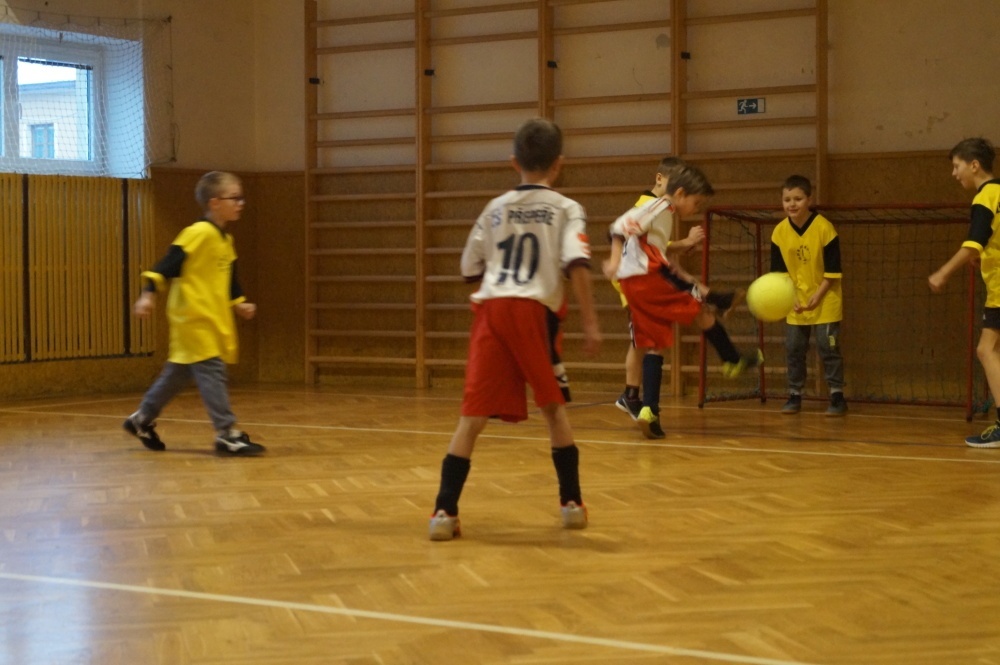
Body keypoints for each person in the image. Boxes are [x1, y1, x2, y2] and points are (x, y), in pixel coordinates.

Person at [428, 118, 601, 541]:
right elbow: (578, 265)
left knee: (472, 417)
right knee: (553, 408)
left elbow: (469, 267)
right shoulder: (566, 208)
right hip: (532, 313)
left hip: (491, 310)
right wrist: (591, 321)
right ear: (558, 164)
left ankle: (443, 512)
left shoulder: (494, 208)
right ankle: (571, 504)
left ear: (513, 162)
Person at [606, 165, 761, 440]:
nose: (697, 208)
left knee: (656, 344)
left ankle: (649, 411)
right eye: (696, 202)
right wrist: (614, 260)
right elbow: (618, 229)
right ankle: (731, 357)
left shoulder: (664, 213)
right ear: (679, 193)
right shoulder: (659, 206)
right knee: (700, 309)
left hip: (635, 284)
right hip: (647, 278)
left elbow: (649, 246)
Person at [122, 171, 265, 456]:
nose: (241, 203)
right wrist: (148, 294)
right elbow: (167, 265)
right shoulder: (197, 233)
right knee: (212, 371)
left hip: (212, 318)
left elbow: (229, 278)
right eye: (234, 198)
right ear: (215, 203)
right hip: (193, 318)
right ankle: (226, 433)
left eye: (241, 198)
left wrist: (239, 302)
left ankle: (141, 419)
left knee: (177, 376)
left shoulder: (225, 240)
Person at [929, 137, 1000, 447]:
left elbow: (974, 241)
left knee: (986, 350)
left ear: (974, 165)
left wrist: (943, 272)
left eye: (956, 166)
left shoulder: (985, 196)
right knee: (989, 349)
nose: (954, 173)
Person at [770, 175, 847, 416]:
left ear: (809, 200)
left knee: (828, 347)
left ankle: (837, 396)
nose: (792, 204)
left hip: (825, 299)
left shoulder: (824, 228)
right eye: (787, 200)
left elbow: (833, 271)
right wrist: (791, 296)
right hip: (795, 300)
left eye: (798, 199)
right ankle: (795, 395)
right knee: (794, 348)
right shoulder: (779, 232)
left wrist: (817, 296)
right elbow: (780, 273)